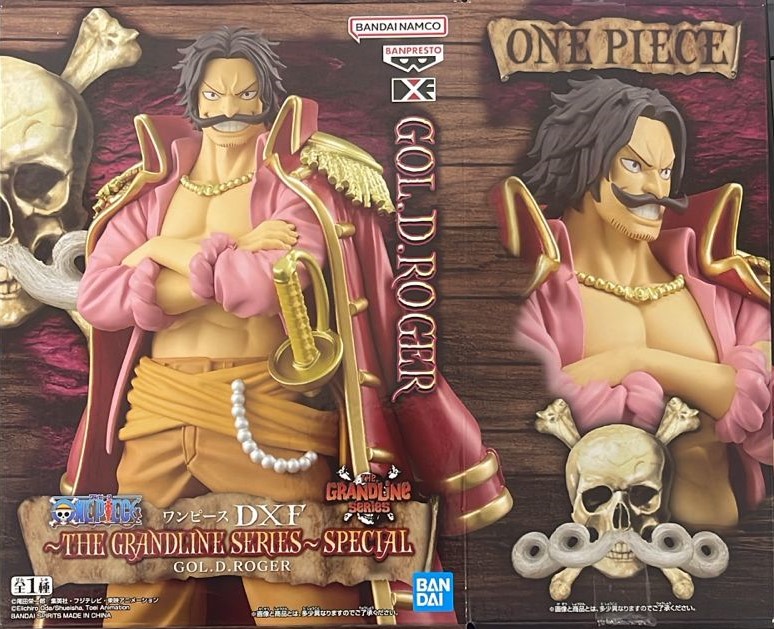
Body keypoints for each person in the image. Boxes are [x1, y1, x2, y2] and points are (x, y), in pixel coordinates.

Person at [66, 26, 511, 626]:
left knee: (305, 604)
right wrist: (224, 247)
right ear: (194, 99)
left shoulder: (299, 187)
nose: (229, 108)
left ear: (267, 99)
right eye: (215, 94)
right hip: (155, 415)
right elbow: (98, 297)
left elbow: (259, 289)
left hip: (266, 415)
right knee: (138, 609)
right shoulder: (147, 194)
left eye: (245, 94)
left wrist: (157, 253)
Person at [503, 77, 771, 530]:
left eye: (665, 171)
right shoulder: (530, 293)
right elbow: (531, 413)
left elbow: (767, 415)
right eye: (635, 165)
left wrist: (634, 361)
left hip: (726, 554)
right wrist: (713, 390)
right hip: (564, 551)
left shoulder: (726, 284)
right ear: (583, 161)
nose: (657, 189)